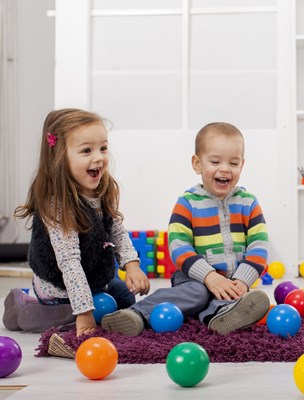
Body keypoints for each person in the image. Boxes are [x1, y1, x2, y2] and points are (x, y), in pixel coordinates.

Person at [101, 122, 270, 336]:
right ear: (197, 164)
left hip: (232, 279)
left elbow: (259, 245)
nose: (225, 168)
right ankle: (136, 314)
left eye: (233, 163)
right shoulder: (188, 203)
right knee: (198, 293)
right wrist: (208, 276)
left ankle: (220, 316)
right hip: (193, 277)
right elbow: (179, 246)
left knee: (230, 296)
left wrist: (242, 281)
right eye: (215, 161)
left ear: (242, 165)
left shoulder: (249, 203)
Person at [3, 109, 150, 338]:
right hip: (58, 287)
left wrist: (131, 264)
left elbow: (116, 229)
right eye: (86, 150)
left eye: (103, 148)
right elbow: (69, 262)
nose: (99, 157)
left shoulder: (101, 189)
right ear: (60, 157)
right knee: (71, 319)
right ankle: (22, 306)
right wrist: (83, 311)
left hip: (92, 278)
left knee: (125, 298)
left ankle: (95, 305)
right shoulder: (57, 206)